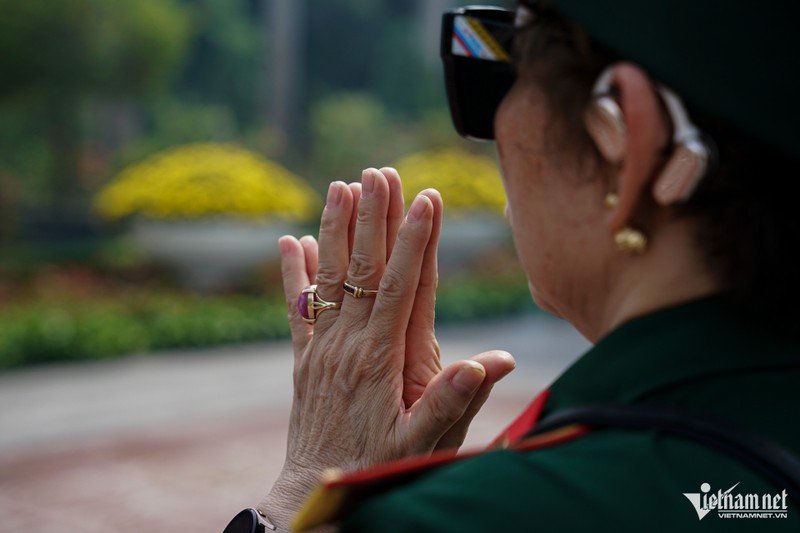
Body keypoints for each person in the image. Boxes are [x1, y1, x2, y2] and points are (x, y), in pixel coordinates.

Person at [223, 0, 800, 531]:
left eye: (506, 64)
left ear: (622, 137)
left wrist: (306, 489)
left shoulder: (492, 516)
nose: (490, 130)